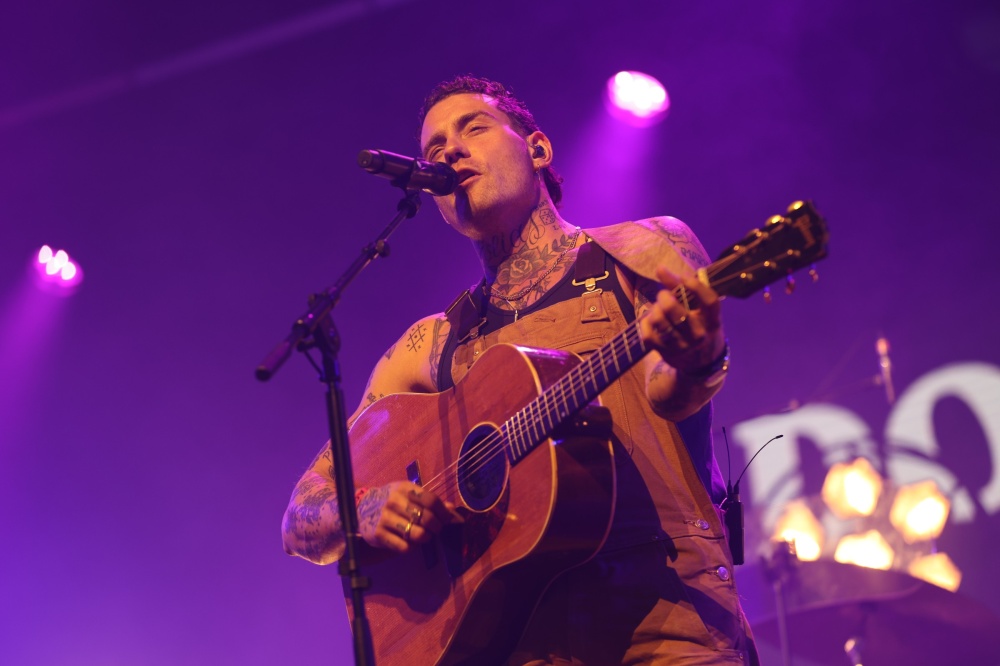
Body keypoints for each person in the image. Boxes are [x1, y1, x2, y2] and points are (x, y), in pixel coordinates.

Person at [282, 75, 759, 665]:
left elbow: (672, 394)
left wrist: (698, 356)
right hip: (519, 640)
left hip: (670, 625)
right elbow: (301, 513)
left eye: (473, 128)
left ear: (538, 149)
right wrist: (363, 511)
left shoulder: (643, 250)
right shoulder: (433, 344)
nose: (450, 152)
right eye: (434, 149)